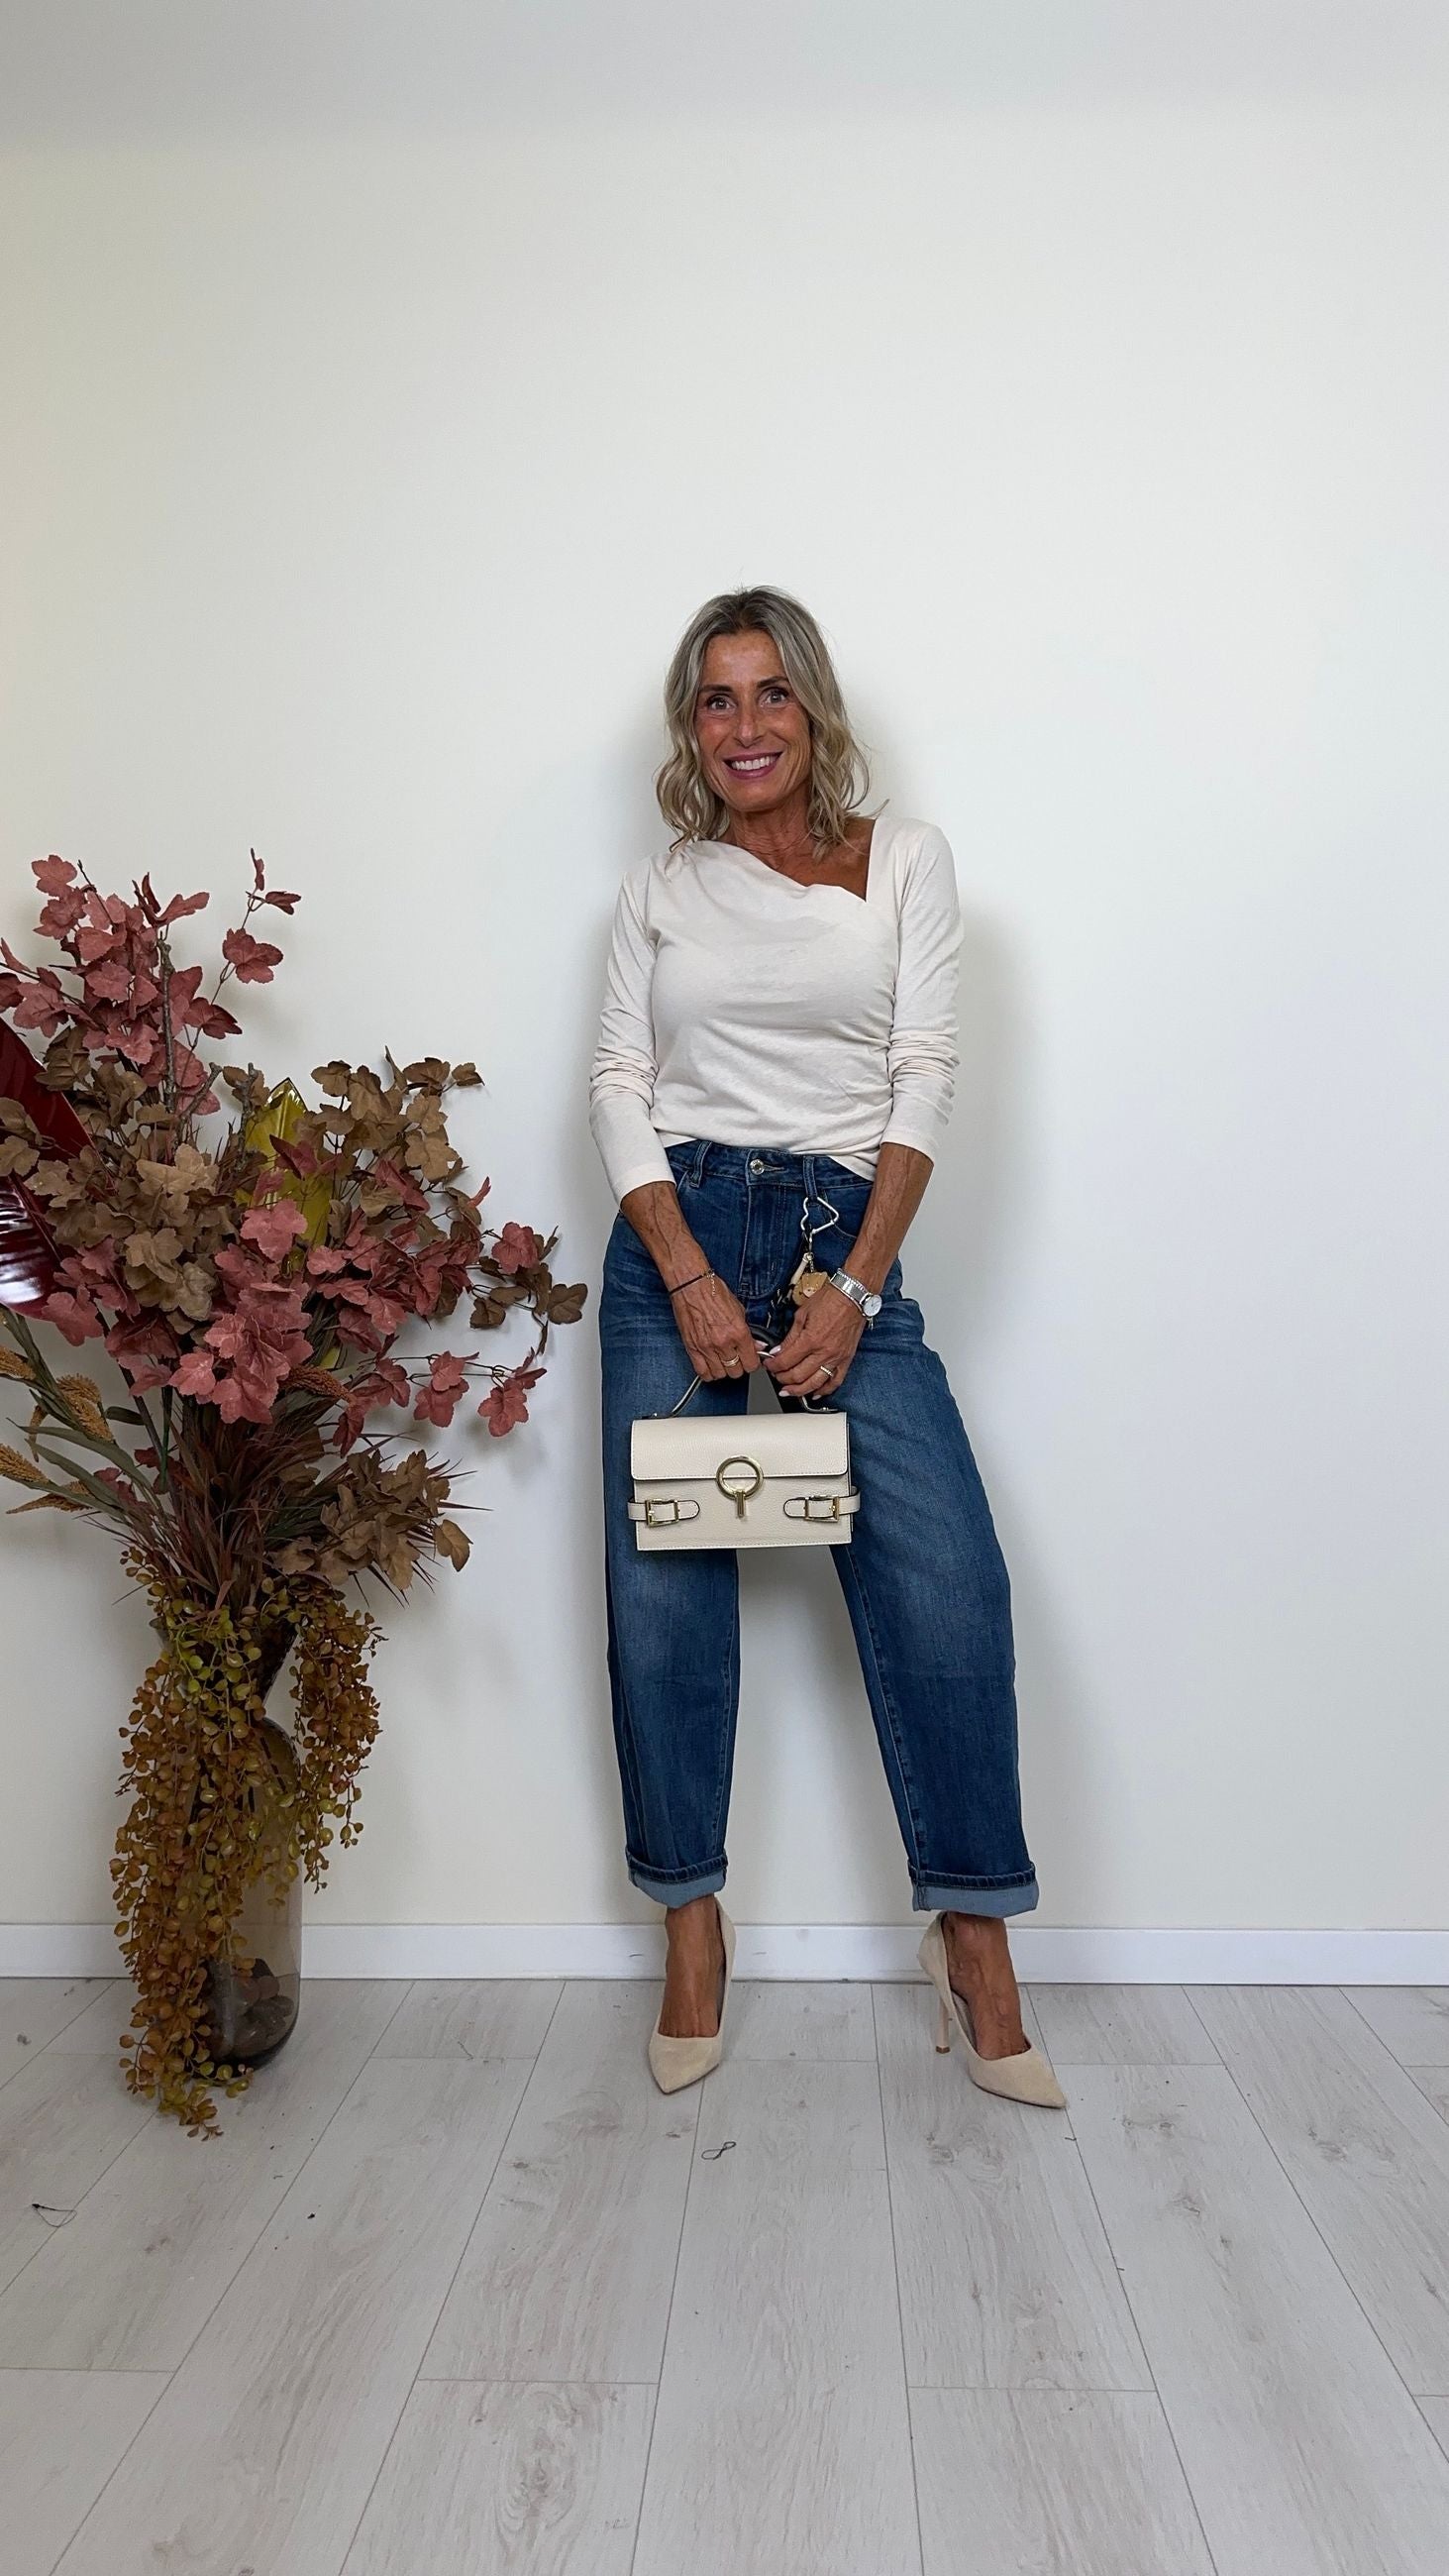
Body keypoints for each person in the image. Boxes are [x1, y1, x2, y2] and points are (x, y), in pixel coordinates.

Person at [589, 586, 1065, 2109]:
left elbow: (923, 1079)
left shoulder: (907, 860)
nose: (746, 725)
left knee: (948, 1583)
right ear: (692, 730)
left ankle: (975, 1938)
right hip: (675, 1246)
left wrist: (854, 1290)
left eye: (771, 693)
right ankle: (693, 1927)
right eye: (716, 699)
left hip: (838, 1251)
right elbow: (618, 1085)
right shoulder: (659, 888)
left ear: (814, 708)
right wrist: (686, 1276)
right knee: (667, 1603)